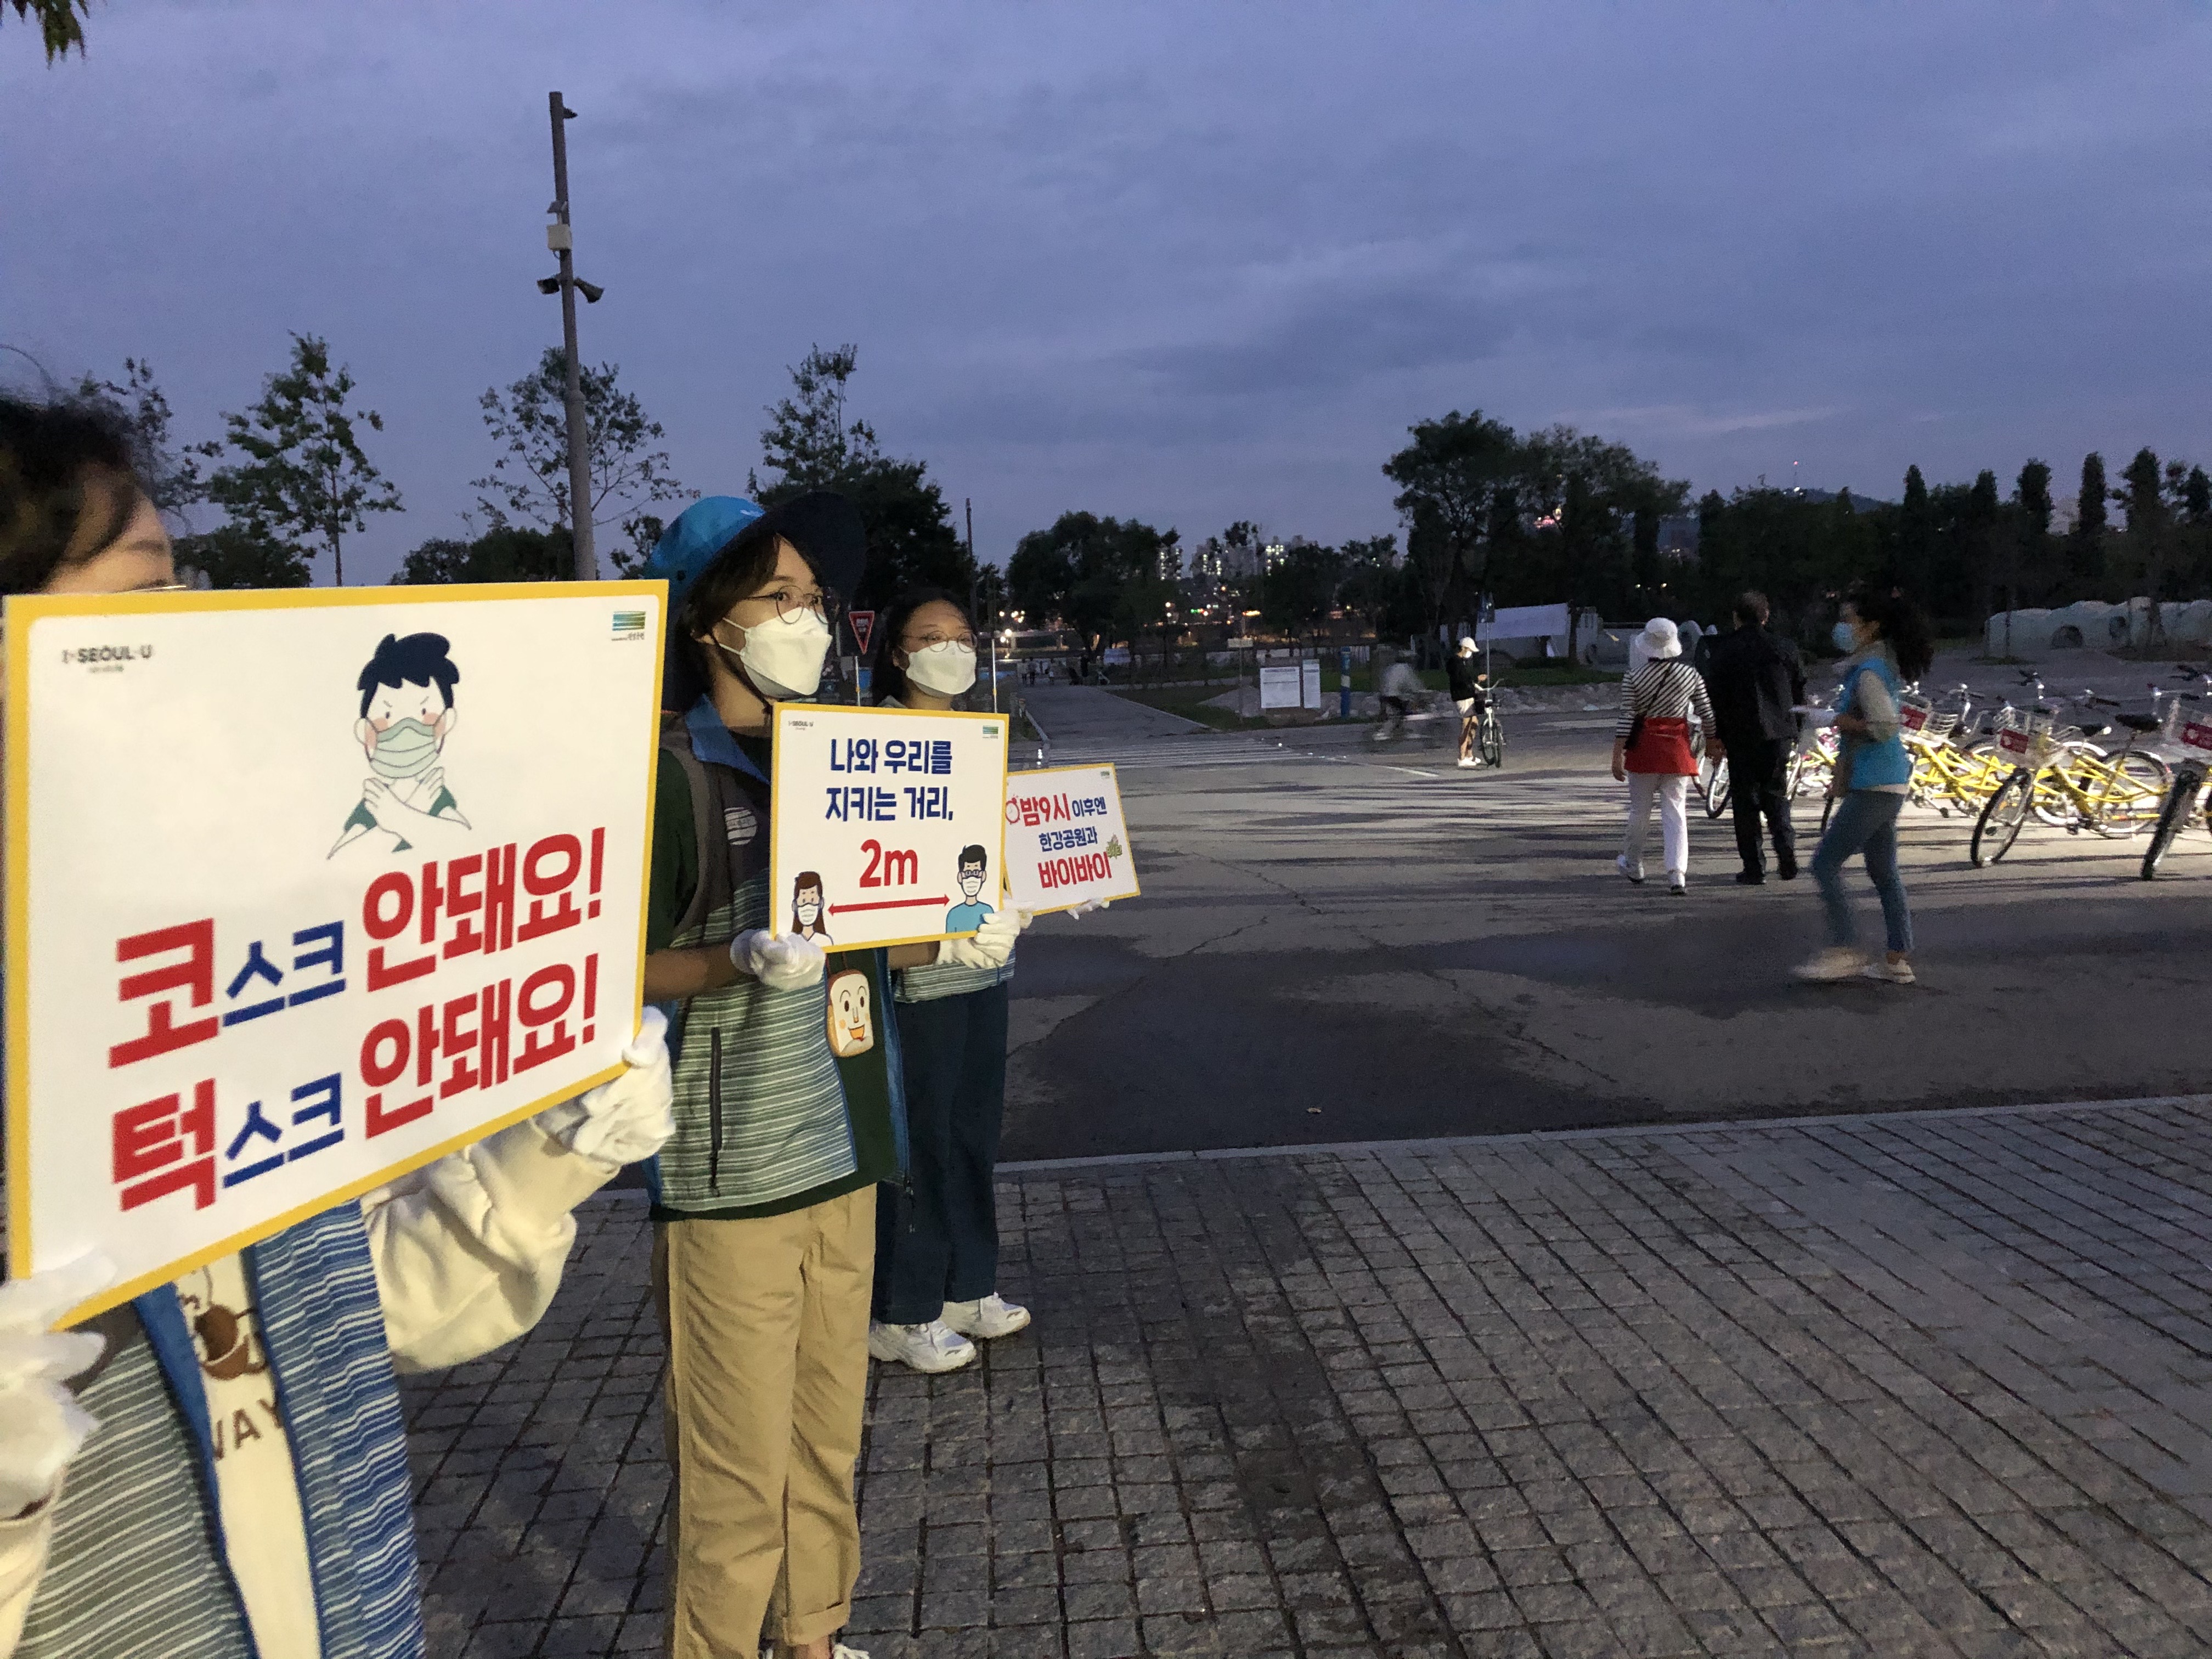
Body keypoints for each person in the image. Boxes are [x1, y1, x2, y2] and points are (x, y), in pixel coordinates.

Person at [0, 392, 676, 1659]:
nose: (202, 638)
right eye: (146, 598)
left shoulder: (221, 970)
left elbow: (367, 1310)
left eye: (186, 590)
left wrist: (550, 1151)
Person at [641, 495, 1017, 1658]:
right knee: (734, 1469)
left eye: (812, 598)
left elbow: (863, 940)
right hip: (732, 1175)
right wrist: (735, 959)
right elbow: (607, 967)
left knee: (826, 1436)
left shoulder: (841, 755)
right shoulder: (668, 775)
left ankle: (814, 1636)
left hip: (850, 1146)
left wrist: (953, 938)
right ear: (708, 621)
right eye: (776, 598)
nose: (805, 619)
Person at [864, 589, 1035, 1375]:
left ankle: (968, 1285)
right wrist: (933, 941)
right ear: (898, 654)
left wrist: (1034, 890)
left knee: (972, 1133)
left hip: (983, 971)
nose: (952, 650)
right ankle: (902, 1309)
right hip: (915, 981)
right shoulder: (871, 744)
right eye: (931, 637)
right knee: (919, 1143)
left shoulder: (979, 736)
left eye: (963, 637)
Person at [1795, 586, 1932, 986]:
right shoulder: (1877, 664)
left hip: (1874, 781)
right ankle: (1896, 958)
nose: (1842, 627)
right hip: (1887, 780)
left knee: (1825, 864)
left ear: (1871, 627)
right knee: (1883, 871)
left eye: (1848, 620)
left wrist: (1832, 720)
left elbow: (1885, 726)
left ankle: (1845, 948)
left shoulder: (1869, 672)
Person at [1703, 591, 1807, 884]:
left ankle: (1754, 867)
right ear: (1766, 616)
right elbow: (1799, 689)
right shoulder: (1784, 648)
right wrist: (1796, 727)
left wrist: (1716, 735)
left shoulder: (1724, 650)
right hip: (1779, 733)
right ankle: (1787, 857)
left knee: (1745, 800)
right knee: (1776, 794)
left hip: (1740, 733)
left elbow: (1715, 697)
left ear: (1736, 618)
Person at [1611, 617, 1719, 896]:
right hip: (1676, 751)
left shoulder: (1634, 677)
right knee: (1675, 812)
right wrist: (1713, 742)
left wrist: (1617, 754)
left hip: (1644, 750)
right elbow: (1707, 714)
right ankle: (1677, 873)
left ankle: (1634, 863)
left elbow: (1627, 717)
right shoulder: (1691, 675)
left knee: (1640, 811)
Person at [1447, 635, 1490, 769]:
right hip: (1462, 697)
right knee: (1466, 726)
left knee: (1474, 724)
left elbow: (1465, 679)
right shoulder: (1455, 662)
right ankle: (1462, 757)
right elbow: (1459, 680)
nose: (1470, 653)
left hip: (1467, 695)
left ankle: (1469, 754)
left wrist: (1475, 681)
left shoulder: (1460, 662)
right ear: (1464, 648)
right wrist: (1472, 683)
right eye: (1470, 650)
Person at [1373, 652, 1425, 740]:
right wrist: (1419, 691)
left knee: (1398, 706)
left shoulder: (1392, 668)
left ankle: (1390, 720)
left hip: (1384, 694)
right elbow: (1412, 684)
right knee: (1403, 709)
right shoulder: (1406, 669)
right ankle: (1396, 727)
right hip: (1394, 695)